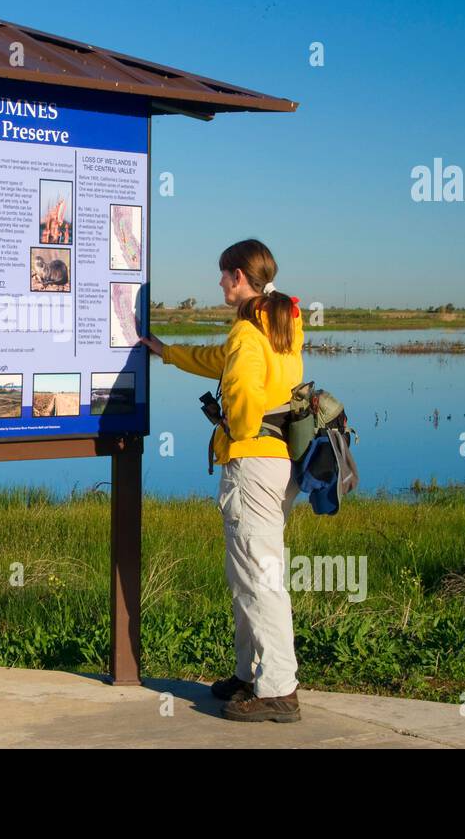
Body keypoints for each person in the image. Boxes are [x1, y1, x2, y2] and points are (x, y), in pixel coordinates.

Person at [138, 239, 305, 723]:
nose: (218, 282)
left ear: (238, 276)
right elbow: (223, 361)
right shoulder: (278, 323)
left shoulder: (249, 334)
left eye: (223, 274)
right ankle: (251, 674)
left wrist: (236, 424)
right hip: (278, 463)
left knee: (259, 578)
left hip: (252, 467)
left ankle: (278, 691)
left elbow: (241, 389)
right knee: (249, 574)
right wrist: (168, 353)